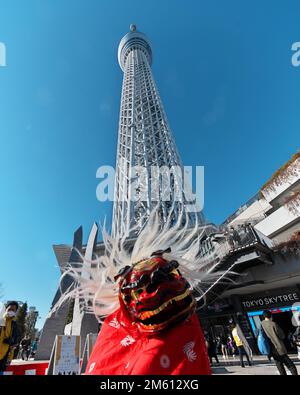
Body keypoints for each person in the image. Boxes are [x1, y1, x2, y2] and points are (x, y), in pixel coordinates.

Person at [262, 310, 298, 375]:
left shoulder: (262, 324)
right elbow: (282, 336)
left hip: (272, 350)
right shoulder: (273, 324)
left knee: (280, 368)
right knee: (291, 366)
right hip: (279, 349)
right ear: (271, 316)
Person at [0, 301, 19, 374]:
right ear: (6, 309)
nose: (11, 311)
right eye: (9, 309)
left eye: (13, 310)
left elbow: (15, 341)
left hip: (4, 356)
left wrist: (11, 341)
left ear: (15, 312)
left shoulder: (14, 325)